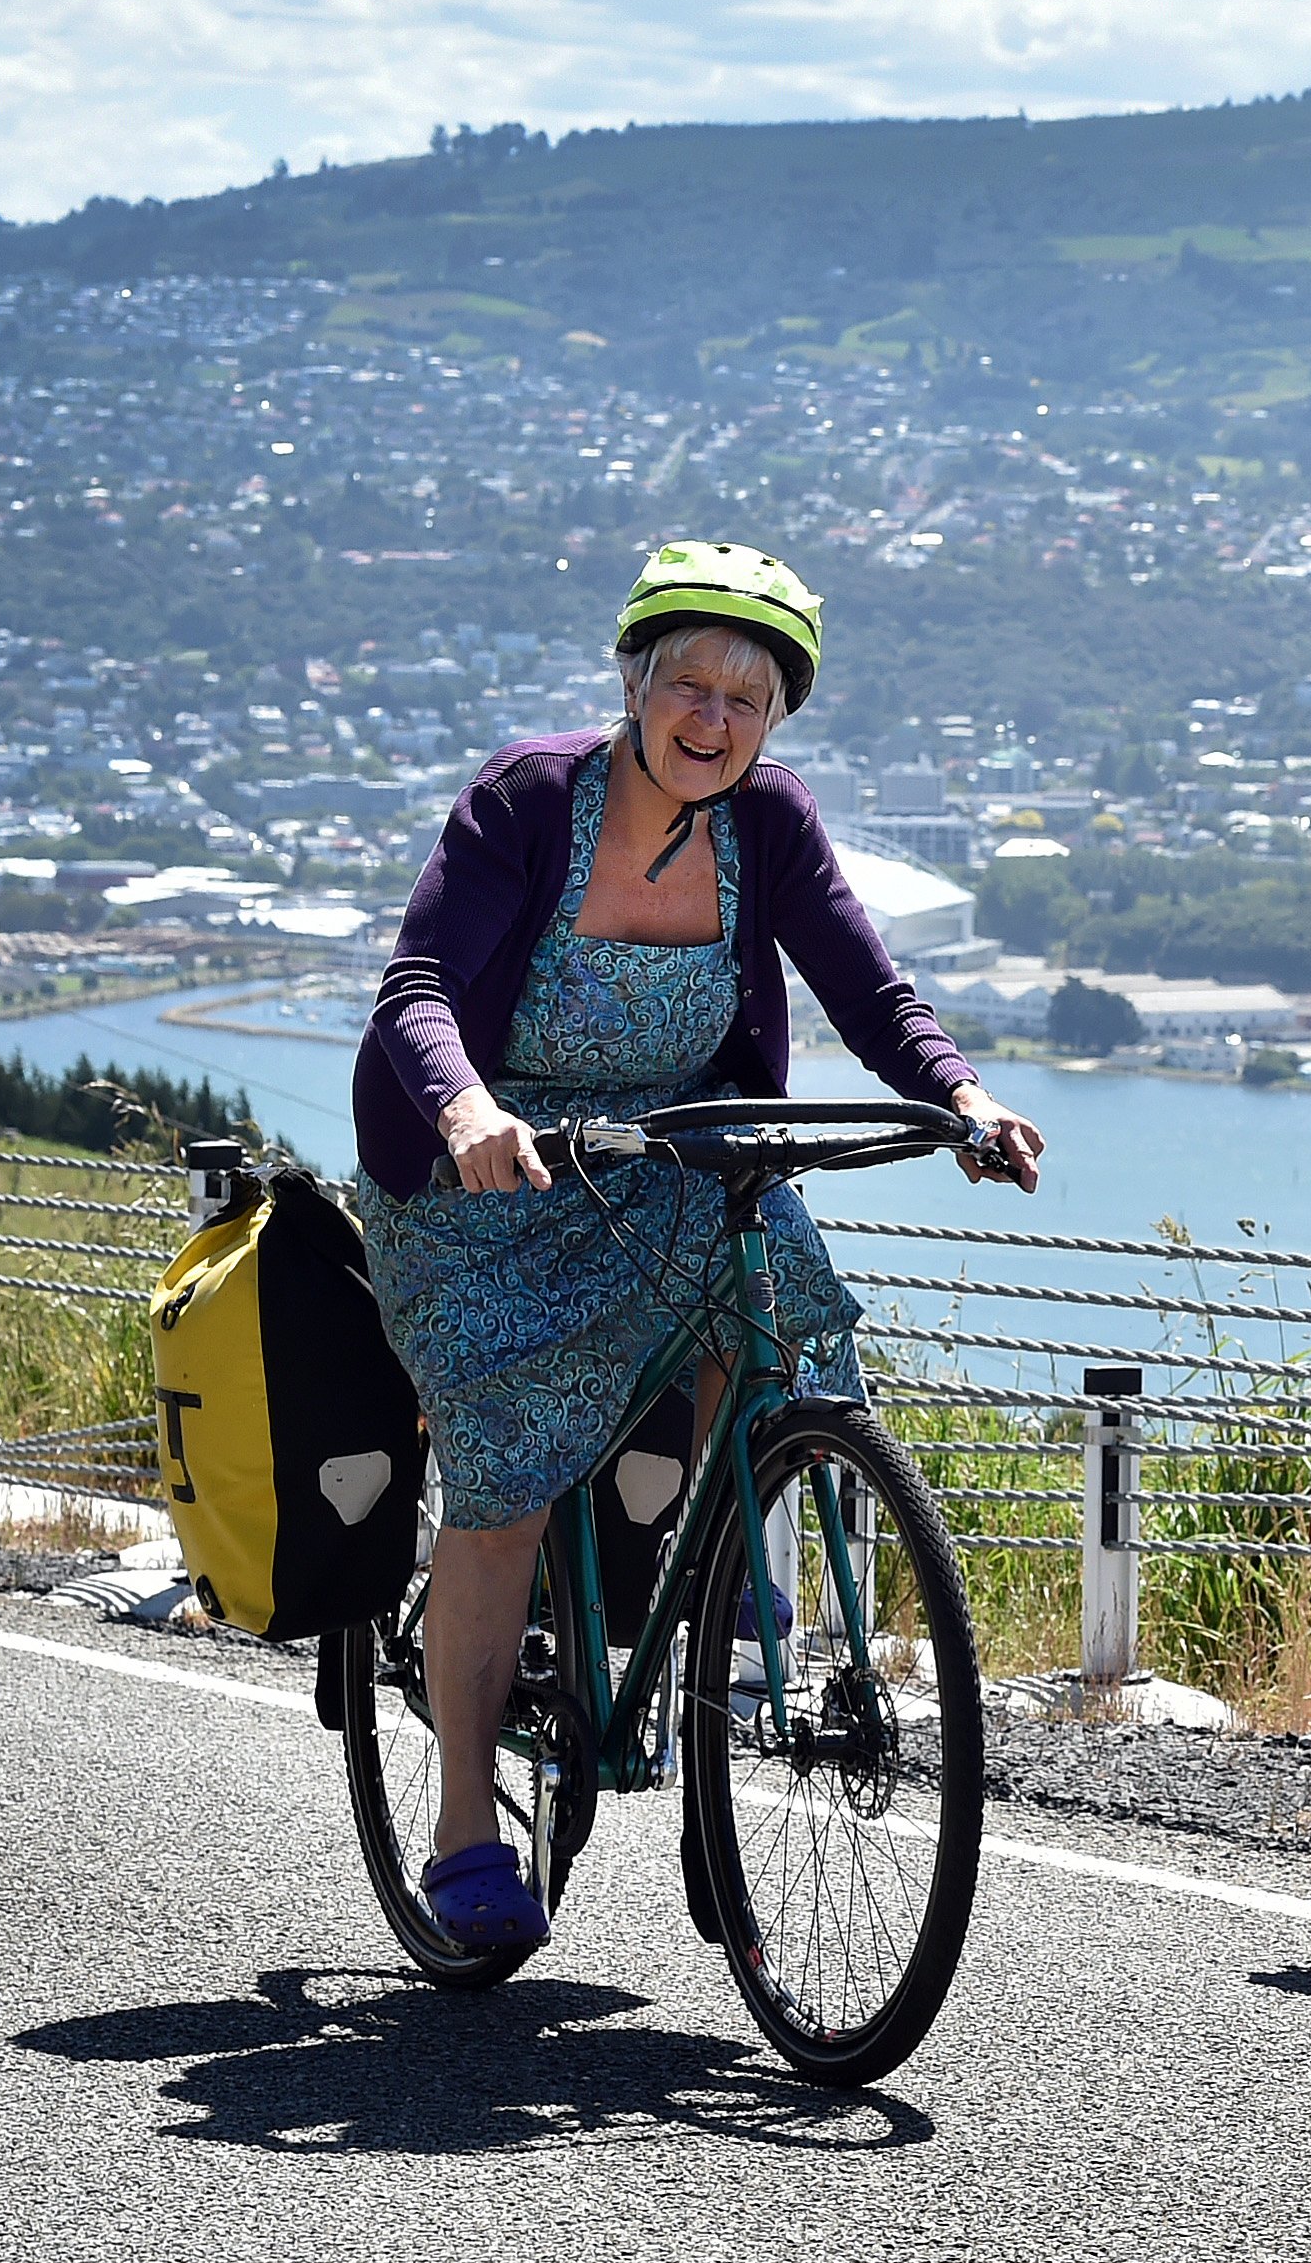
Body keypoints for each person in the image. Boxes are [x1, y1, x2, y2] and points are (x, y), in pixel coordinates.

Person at [348, 541, 1045, 1954]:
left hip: (672, 1156)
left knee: (777, 1314)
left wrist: (960, 1095)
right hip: (492, 1182)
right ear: (634, 683)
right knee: (508, 1477)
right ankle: (467, 1825)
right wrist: (470, 1107)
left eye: (750, 696)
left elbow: (867, 986)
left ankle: (719, 1564)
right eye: (689, 684)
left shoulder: (767, 825)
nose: (714, 718)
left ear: (778, 719)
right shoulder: (530, 799)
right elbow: (418, 986)